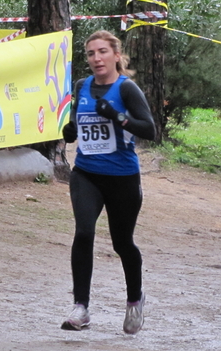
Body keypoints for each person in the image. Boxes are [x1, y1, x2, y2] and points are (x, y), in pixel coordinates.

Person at [60, 30, 156, 334]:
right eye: (90, 53)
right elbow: (78, 122)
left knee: (122, 243)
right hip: (86, 173)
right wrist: (71, 131)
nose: (96, 58)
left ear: (116, 55)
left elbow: (150, 130)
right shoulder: (82, 86)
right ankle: (81, 308)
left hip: (122, 177)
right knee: (84, 232)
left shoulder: (127, 89)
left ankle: (133, 300)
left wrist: (118, 117)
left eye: (102, 51)